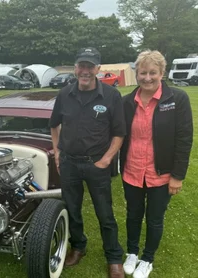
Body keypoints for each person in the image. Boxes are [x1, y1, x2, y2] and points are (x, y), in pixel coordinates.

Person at [50, 47, 126, 278]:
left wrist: (106, 159)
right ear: (75, 68)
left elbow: (119, 133)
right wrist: (56, 151)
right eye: (81, 66)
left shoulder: (111, 96)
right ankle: (78, 247)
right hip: (70, 163)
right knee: (72, 209)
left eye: (90, 66)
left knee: (105, 214)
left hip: (97, 165)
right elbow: (54, 124)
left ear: (98, 69)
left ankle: (113, 258)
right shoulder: (64, 94)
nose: (85, 71)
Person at [120, 50, 193, 278]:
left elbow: (184, 139)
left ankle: (147, 259)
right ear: (137, 74)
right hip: (132, 171)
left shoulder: (177, 99)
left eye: (153, 72)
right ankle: (132, 252)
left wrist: (177, 176)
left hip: (161, 174)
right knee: (133, 214)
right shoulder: (126, 102)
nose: (148, 77)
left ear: (162, 73)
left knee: (154, 218)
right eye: (143, 72)